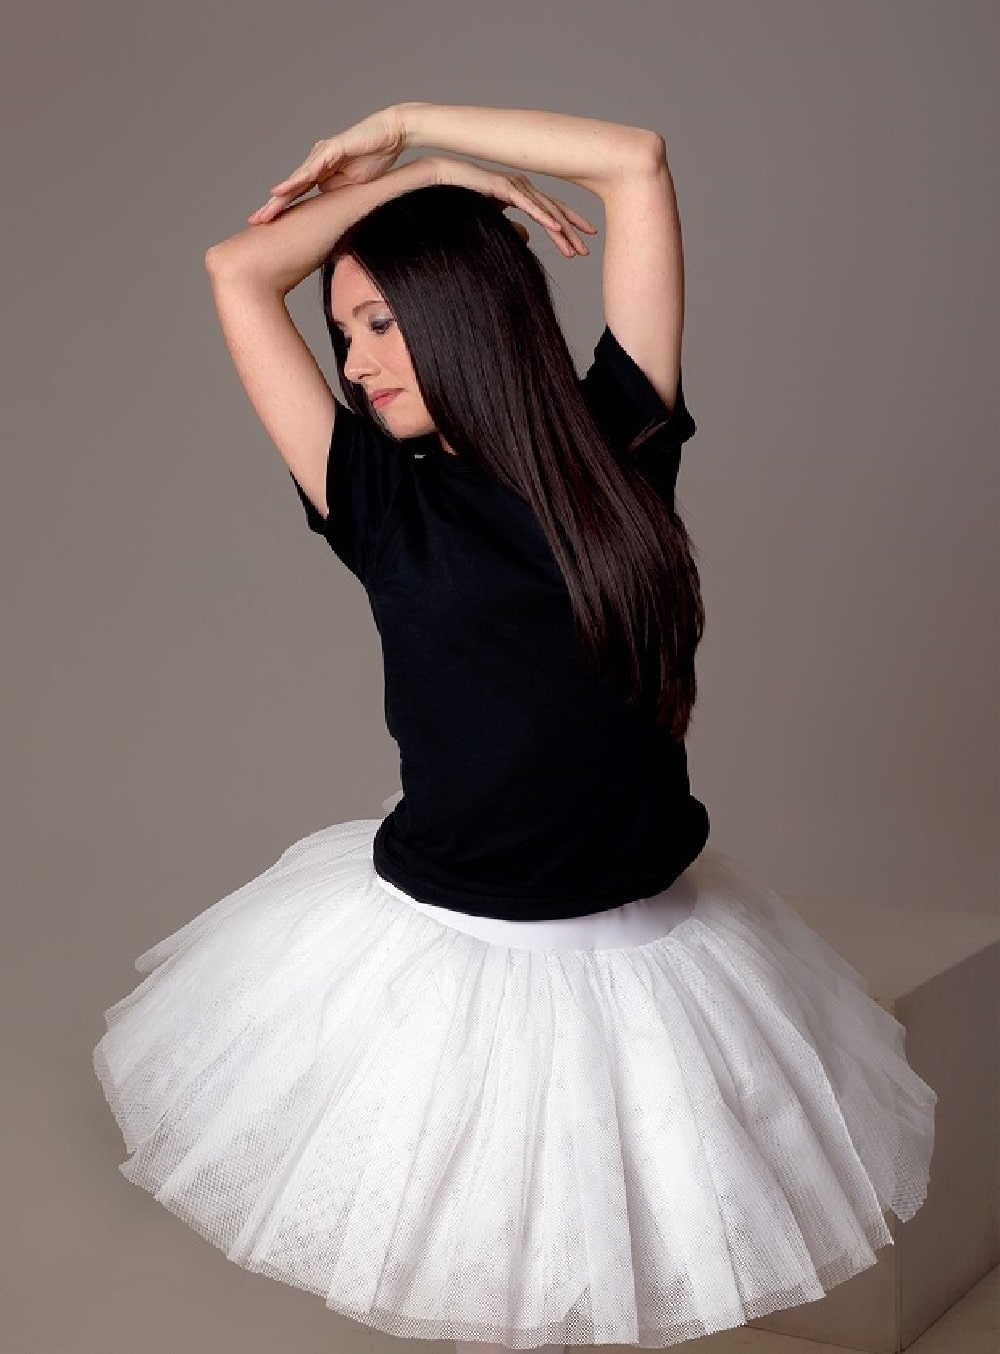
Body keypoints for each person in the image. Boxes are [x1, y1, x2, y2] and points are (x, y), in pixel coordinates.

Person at [92, 103, 937, 1352]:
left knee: (621, 1262)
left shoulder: (620, 442)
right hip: (458, 948)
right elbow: (236, 269)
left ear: (463, 309)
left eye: (382, 323)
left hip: (651, 945)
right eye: (342, 333)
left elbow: (633, 162)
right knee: (489, 1268)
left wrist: (407, 122)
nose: (357, 363)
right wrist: (422, 175)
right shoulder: (375, 498)